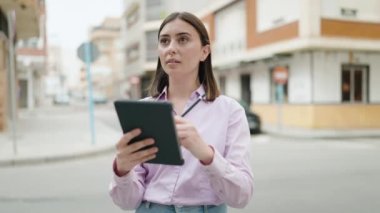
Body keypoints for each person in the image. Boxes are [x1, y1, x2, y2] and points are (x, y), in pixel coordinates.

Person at [109, 12, 254, 213]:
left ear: (205, 51)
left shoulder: (230, 111)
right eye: (164, 41)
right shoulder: (143, 110)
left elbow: (241, 196)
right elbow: (127, 203)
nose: (171, 48)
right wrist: (122, 170)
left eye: (183, 39)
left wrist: (206, 154)